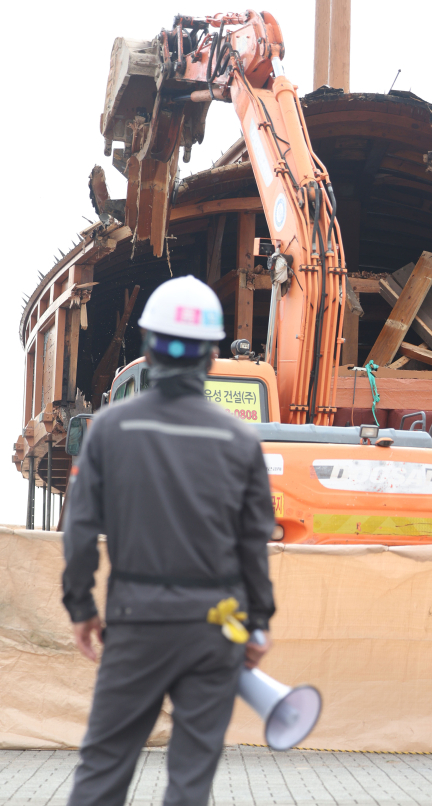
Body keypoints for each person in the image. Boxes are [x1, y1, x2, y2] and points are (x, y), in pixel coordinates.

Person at [62, 275, 276, 806]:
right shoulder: (240, 440)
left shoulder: (111, 429)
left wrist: (82, 606)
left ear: (151, 347)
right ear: (211, 354)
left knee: (104, 768)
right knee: (190, 780)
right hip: (215, 626)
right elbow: (254, 544)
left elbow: (81, 529)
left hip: (137, 623)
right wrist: (258, 622)